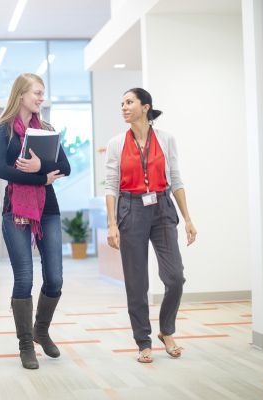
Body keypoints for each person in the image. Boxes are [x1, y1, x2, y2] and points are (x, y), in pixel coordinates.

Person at [104, 88, 197, 363]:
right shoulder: (116, 143)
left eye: (129, 102)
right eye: (121, 103)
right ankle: (143, 341)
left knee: (175, 277)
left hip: (162, 208)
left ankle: (166, 330)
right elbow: (110, 186)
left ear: (146, 107)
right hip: (130, 209)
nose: (123, 107)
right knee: (137, 282)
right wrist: (112, 224)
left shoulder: (166, 139)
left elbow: (176, 180)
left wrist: (188, 219)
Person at [0, 73, 71, 369]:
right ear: (21, 94)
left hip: (48, 209)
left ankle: (41, 330)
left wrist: (42, 165)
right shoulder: (2, 130)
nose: (40, 98)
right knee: (24, 278)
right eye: (36, 93)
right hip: (16, 210)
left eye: (42, 93)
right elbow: (0, 169)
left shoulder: (47, 129)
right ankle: (26, 343)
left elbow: (65, 166)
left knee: (56, 278)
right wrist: (39, 176)